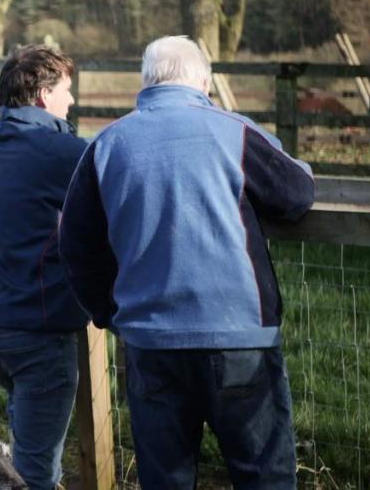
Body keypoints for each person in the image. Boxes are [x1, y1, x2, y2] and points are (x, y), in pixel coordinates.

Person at [59, 35, 314, 489]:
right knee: (264, 477)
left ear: (145, 81)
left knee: (166, 479)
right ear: (204, 80)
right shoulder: (233, 131)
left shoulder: (106, 144)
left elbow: (76, 244)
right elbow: (295, 194)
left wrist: (110, 313)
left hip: (150, 340)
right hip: (238, 333)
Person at [0, 44, 89, 490]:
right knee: (32, 475)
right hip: (35, 330)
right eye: (65, 91)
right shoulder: (59, 150)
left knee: (20, 453)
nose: (71, 101)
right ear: (40, 96)